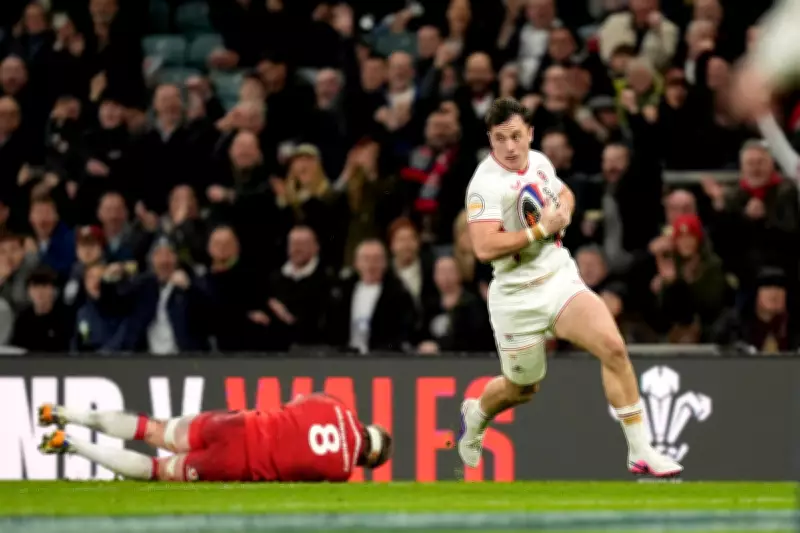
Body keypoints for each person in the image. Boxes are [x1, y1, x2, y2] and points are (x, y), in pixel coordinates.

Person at [458, 97, 682, 478]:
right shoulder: (485, 185)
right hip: (516, 296)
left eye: (516, 136)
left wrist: (564, 211)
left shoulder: (540, 162)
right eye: (500, 138)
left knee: (613, 348)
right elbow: (483, 247)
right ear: (490, 139)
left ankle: (640, 451)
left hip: (558, 278)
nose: (510, 147)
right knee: (522, 388)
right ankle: (477, 414)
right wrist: (540, 230)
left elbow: (564, 194)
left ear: (530, 133)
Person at [37, 393, 392, 482]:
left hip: (235, 425)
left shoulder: (335, 404)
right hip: (239, 463)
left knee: (153, 429)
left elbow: (295, 403)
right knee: (157, 471)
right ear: (369, 458)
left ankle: (71, 414)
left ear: (369, 428)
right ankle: (72, 445)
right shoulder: (340, 472)